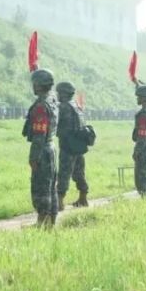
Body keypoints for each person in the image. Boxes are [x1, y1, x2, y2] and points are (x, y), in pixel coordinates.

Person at [24, 69, 59, 228]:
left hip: (42, 148)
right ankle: (51, 222)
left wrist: (33, 156)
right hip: (51, 147)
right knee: (51, 187)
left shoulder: (41, 105)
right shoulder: (52, 100)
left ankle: (41, 221)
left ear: (38, 85)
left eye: (35, 83)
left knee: (41, 187)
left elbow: (39, 133)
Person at [55, 81, 89, 209]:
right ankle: (83, 198)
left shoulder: (63, 107)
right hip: (79, 144)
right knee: (79, 172)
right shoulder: (76, 106)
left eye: (58, 93)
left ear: (63, 94)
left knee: (64, 172)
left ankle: (59, 201)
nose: (57, 95)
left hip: (67, 145)